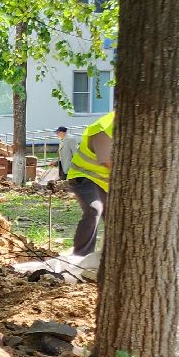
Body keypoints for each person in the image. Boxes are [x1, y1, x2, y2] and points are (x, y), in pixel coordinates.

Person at [65, 110, 113, 257]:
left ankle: (110, 257)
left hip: (105, 183)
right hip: (84, 176)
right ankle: (81, 256)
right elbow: (109, 163)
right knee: (94, 209)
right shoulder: (103, 130)